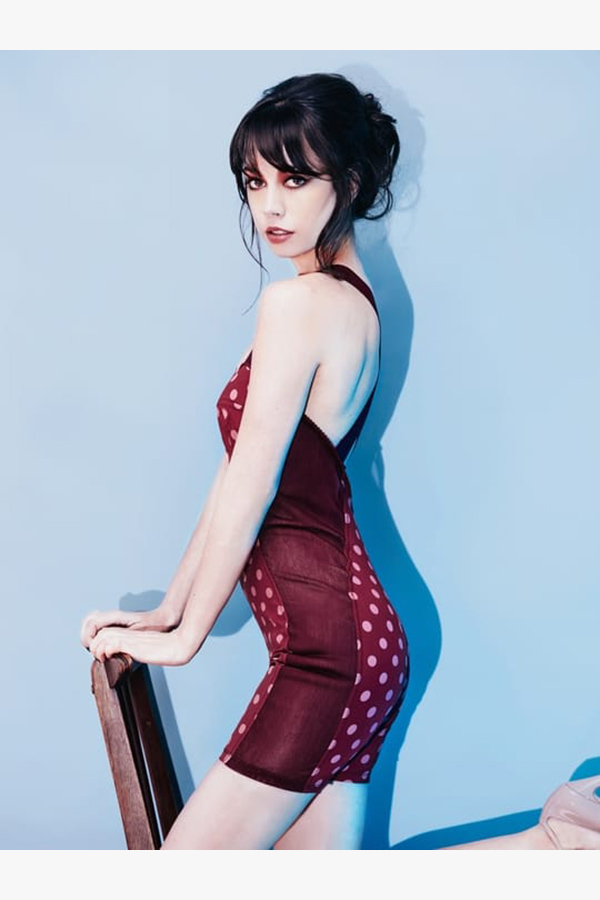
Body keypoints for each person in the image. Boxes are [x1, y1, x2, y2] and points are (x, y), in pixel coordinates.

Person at [79, 72, 600, 851]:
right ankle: (556, 850)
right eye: (254, 182)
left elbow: (252, 483)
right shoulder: (348, 301)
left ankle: (559, 852)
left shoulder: (299, 305)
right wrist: (170, 612)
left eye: (295, 179)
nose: (270, 207)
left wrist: (184, 640)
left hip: (329, 653)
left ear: (349, 182)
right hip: (354, 645)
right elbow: (236, 474)